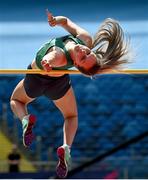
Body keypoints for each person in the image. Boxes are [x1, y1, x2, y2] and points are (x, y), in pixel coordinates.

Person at [10, 9, 130, 178]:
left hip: (36, 79)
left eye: (82, 57)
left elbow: (52, 57)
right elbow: (67, 22)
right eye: (88, 53)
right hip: (58, 83)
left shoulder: (59, 56)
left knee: (16, 100)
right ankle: (66, 147)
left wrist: (47, 63)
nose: (83, 51)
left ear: (75, 63)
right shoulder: (86, 40)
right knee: (71, 116)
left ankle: (25, 120)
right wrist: (57, 21)